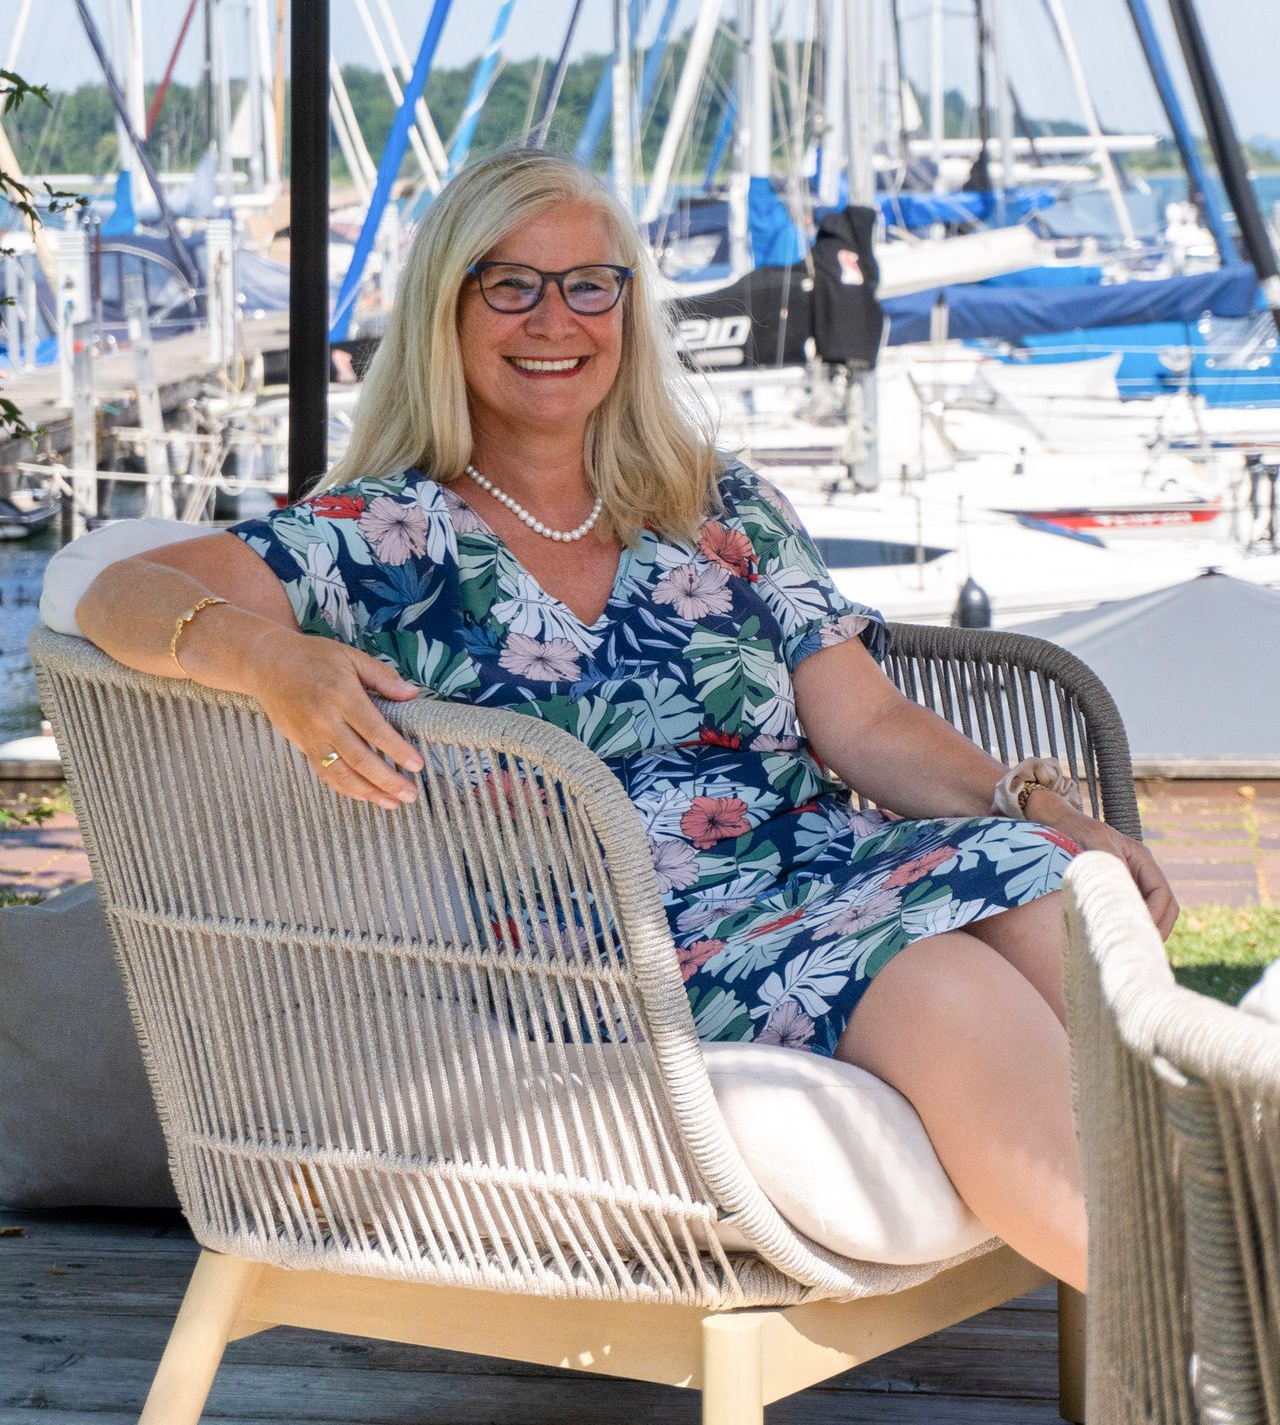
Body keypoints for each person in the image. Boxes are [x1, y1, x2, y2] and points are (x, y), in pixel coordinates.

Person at [76, 148, 1178, 1294]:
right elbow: (118, 595)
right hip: (615, 938)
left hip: (821, 870)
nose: (554, 318)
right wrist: (267, 659)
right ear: (446, 310)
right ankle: (1206, 1331)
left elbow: (867, 726)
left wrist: (1037, 804)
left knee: (1064, 889)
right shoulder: (376, 536)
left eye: (587, 284)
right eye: (509, 284)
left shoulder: (720, 502)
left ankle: (1217, 1274)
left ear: (627, 308)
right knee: (936, 985)